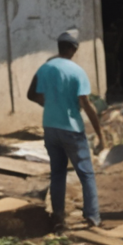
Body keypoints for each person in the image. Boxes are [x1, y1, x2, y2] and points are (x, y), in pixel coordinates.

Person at [28, 29, 106, 227]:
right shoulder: (77, 71)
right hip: (71, 128)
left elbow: (31, 94)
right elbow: (86, 104)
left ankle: (58, 217)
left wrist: (49, 104)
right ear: (74, 49)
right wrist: (100, 133)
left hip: (50, 127)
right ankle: (92, 216)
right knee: (86, 173)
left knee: (57, 173)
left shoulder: (45, 68)